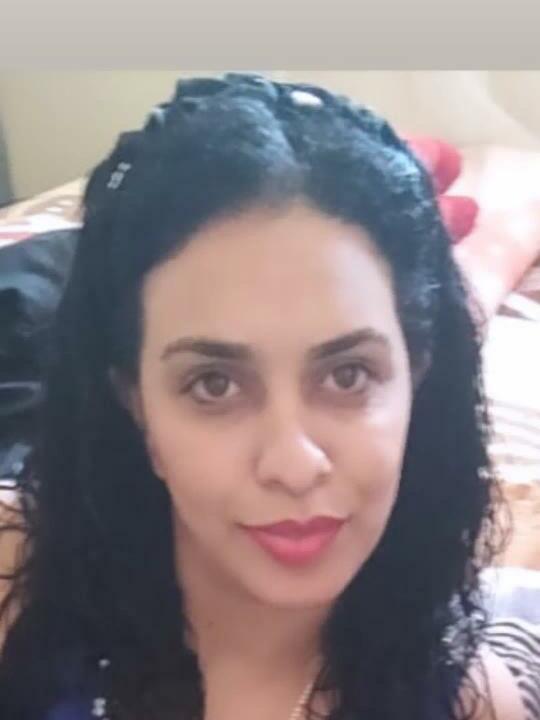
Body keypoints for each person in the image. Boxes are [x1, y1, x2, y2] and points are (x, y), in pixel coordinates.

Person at [0, 72, 537, 720]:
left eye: (347, 376)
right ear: (136, 403)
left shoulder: (472, 703)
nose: (293, 464)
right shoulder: (17, 582)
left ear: (416, 381)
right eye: (215, 384)